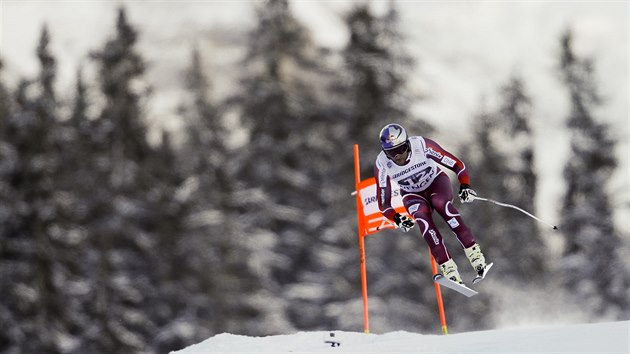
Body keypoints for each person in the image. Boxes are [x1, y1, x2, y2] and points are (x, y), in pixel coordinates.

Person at [374, 123, 489, 284]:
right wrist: (397, 218)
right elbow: (383, 203)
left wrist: (465, 185)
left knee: (441, 204)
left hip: (436, 183)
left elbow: (457, 165)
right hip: (411, 193)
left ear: (407, 144)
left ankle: (475, 255)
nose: (398, 156)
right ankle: (448, 267)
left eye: (400, 149)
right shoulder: (382, 164)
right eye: (391, 153)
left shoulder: (422, 145)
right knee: (422, 219)